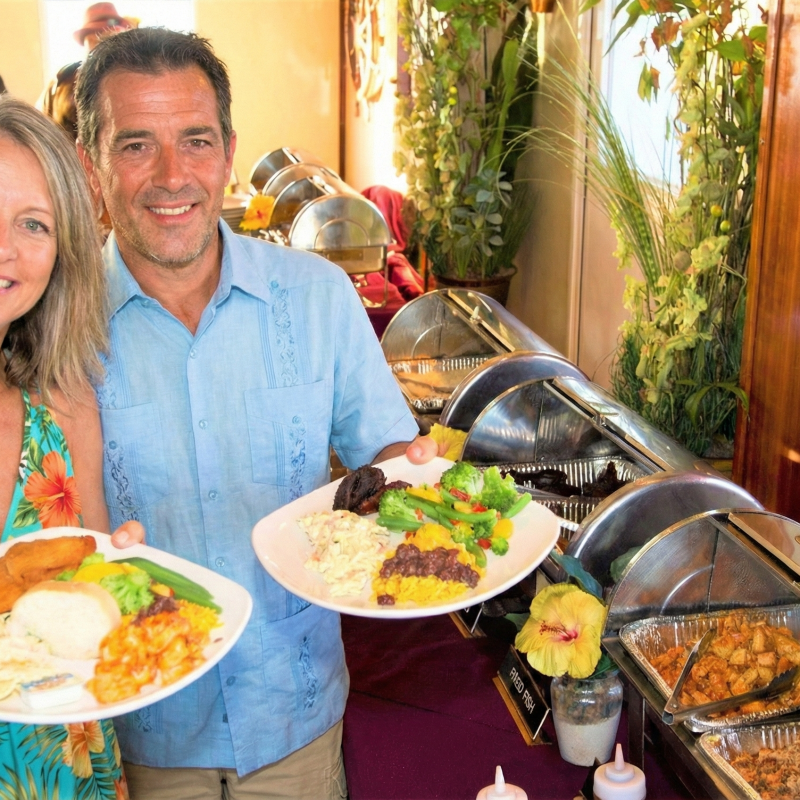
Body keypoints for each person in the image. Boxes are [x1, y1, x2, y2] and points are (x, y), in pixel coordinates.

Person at [75, 27, 439, 799]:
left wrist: (417, 481)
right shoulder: (60, 331)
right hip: (144, 728)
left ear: (230, 152)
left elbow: (383, 455)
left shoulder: (316, 297)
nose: (173, 176)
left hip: (297, 719)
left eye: (196, 141)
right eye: (136, 145)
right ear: (89, 164)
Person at [0, 94, 142, 800]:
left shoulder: (60, 410)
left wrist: (123, 575)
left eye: (33, 223)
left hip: (64, 766)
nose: (5, 249)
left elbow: (88, 591)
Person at [38, 2, 133, 140]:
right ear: (87, 41)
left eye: (112, 39)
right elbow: (41, 132)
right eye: (98, 38)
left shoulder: (137, 80)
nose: (103, 47)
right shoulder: (61, 82)